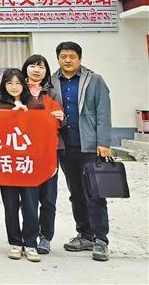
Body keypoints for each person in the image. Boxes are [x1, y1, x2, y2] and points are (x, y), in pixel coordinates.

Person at [50, 41, 112, 262]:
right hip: (66, 146)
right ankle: (84, 235)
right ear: (58, 58)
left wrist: (103, 142)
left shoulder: (94, 80)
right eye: (63, 56)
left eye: (72, 56)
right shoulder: (52, 81)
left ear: (79, 58)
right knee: (75, 192)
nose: (68, 60)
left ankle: (100, 240)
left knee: (94, 193)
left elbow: (103, 112)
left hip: (90, 146)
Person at [0, 68, 42, 263]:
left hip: (28, 163)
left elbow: (44, 129)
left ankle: (31, 243)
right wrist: (9, 116)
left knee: (30, 204)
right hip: (7, 163)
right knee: (10, 205)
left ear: (24, 84)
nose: (14, 87)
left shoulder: (34, 103)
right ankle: (15, 242)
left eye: (18, 83)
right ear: (4, 85)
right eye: (9, 83)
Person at [22, 54, 66, 254]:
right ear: (26, 68)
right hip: (25, 152)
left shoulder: (52, 93)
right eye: (33, 66)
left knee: (48, 198)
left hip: (49, 151)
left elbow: (63, 119)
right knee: (28, 198)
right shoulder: (18, 90)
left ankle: (46, 237)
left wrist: (60, 117)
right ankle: (29, 237)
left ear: (46, 71)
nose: (37, 70)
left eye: (41, 67)